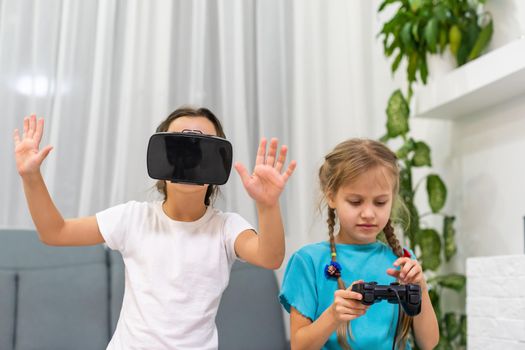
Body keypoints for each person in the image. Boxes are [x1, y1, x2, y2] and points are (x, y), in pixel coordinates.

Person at [13, 107, 296, 350]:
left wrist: (267, 205)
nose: (190, 157)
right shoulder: (133, 218)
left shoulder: (226, 227)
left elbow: (269, 257)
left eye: (202, 149)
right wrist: (31, 177)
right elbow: (55, 232)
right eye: (179, 148)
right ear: (164, 158)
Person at [279, 139, 439, 350]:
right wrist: (333, 316)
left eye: (380, 202)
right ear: (331, 197)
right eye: (355, 201)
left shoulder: (403, 261)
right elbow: (299, 347)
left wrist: (421, 288)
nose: (368, 213)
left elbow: (429, 343)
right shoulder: (308, 261)